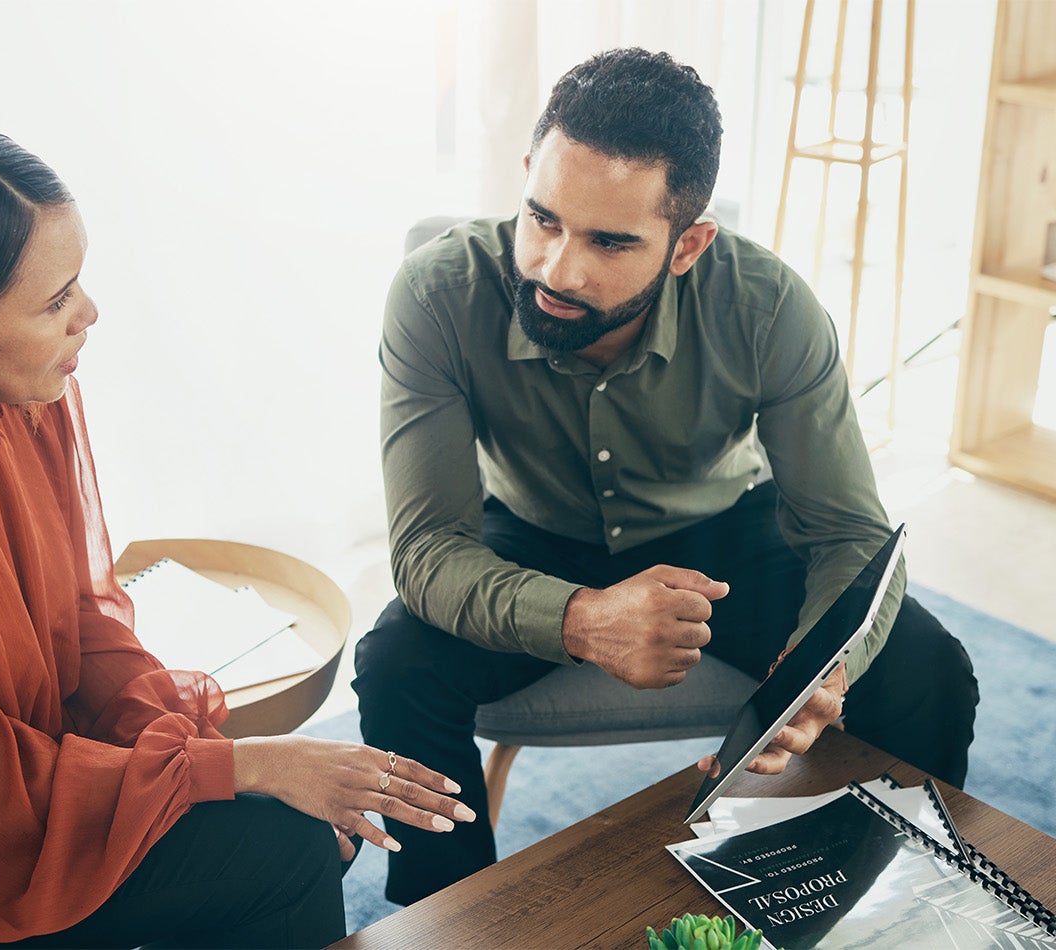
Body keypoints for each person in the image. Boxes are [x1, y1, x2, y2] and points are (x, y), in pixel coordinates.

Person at [0, 122, 475, 949]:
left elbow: (83, 626)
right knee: (285, 853)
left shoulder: (21, 402)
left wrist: (207, 759)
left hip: (10, 786)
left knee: (301, 823)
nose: (89, 314)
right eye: (55, 300)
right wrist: (239, 767)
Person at [353, 47, 979, 906]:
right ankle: (445, 918)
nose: (557, 269)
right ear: (526, 178)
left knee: (925, 669)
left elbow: (850, 535)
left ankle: (890, 898)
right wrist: (584, 619)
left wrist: (821, 669)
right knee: (396, 665)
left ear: (688, 245)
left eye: (610, 241)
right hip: (533, 533)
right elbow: (426, 552)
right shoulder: (436, 294)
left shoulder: (770, 307)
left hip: (727, 533)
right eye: (543, 219)